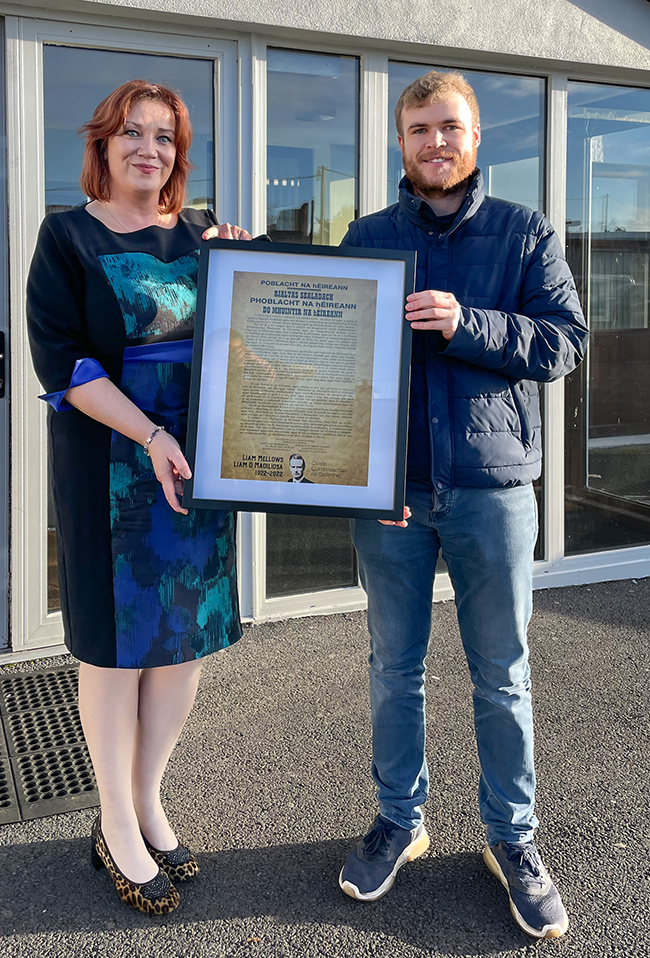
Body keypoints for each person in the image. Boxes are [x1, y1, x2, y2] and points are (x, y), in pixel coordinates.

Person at [337, 71, 588, 940]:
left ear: (476, 138)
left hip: (492, 491)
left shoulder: (524, 233)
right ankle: (400, 820)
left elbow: (565, 344)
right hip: (392, 493)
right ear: (399, 143)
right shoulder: (365, 238)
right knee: (392, 668)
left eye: (449, 127)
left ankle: (512, 839)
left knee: (502, 673)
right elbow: (331, 347)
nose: (434, 142)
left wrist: (468, 322)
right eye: (418, 130)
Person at [27, 80, 251, 915]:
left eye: (163, 137)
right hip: (112, 470)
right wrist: (151, 438)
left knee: (181, 644)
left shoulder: (201, 239)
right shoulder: (66, 236)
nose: (147, 148)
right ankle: (113, 819)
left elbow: (244, 343)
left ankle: (149, 796)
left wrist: (252, 266)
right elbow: (65, 364)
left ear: (176, 156)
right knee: (114, 655)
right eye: (131, 132)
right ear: (104, 145)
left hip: (196, 470)